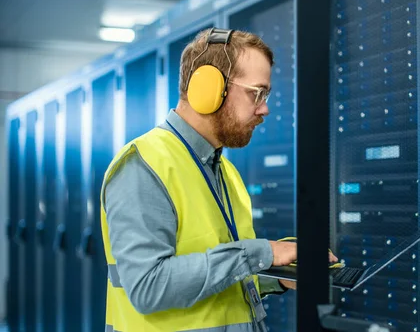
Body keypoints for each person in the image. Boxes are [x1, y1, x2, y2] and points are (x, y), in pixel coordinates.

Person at [100, 28, 337, 332]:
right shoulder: (144, 166)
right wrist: (262, 252)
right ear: (208, 88)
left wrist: (277, 273)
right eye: (257, 93)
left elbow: (219, 280)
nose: (264, 108)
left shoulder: (225, 171)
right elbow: (148, 288)